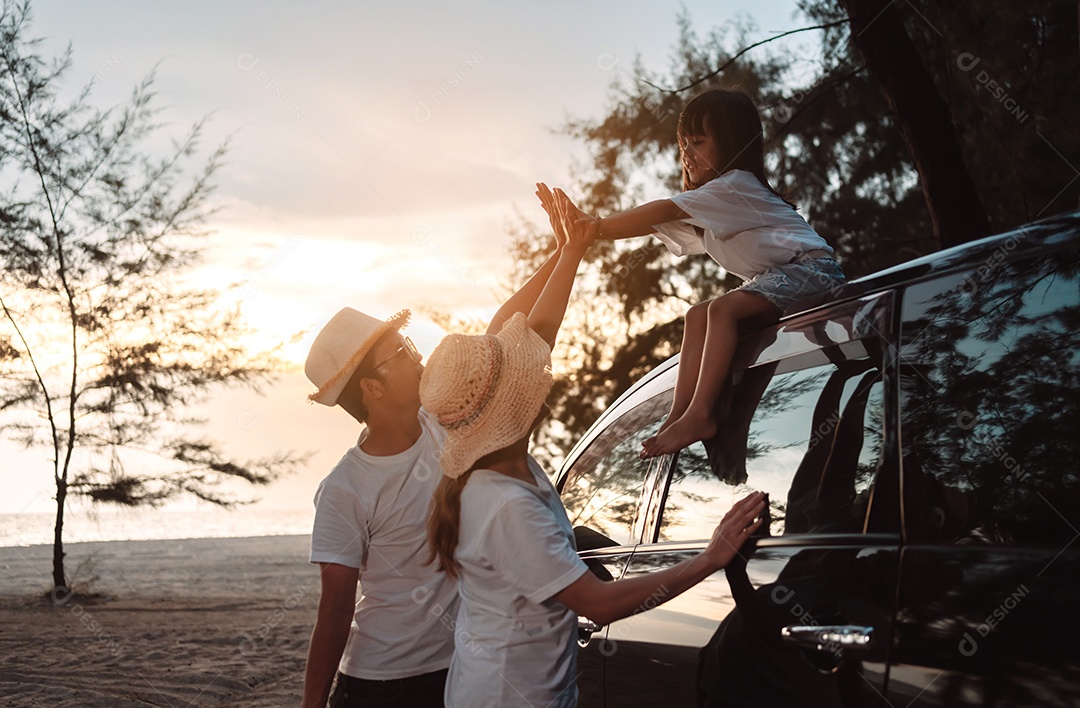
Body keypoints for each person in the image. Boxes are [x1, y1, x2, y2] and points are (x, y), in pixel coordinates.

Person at [420, 185, 767, 707]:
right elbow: (598, 605)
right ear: (511, 404)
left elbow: (530, 328)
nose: (538, 369)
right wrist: (711, 555)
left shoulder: (496, 469)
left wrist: (570, 251)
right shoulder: (506, 504)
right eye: (523, 371)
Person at [301, 197, 590, 708]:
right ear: (372, 388)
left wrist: (566, 250)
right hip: (380, 687)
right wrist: (312, 703)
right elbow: (336, 608)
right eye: (401, 353)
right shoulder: (345, 489)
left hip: (459, 669)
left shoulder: (449, 425)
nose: (418, 356)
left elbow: (509, 332)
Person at [552, 87, 846, 458]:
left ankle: (701, 414)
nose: (687, 154)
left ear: (731, 142)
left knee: (722, 310)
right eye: (682, 144)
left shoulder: (736, 185)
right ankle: (679, 414)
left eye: (698, 141)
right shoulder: (716, 204)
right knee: (697, 315)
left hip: (814, 270)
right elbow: (655, 222)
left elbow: (664, 211)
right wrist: (593, 230)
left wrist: (596, 226)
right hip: (788, 275)